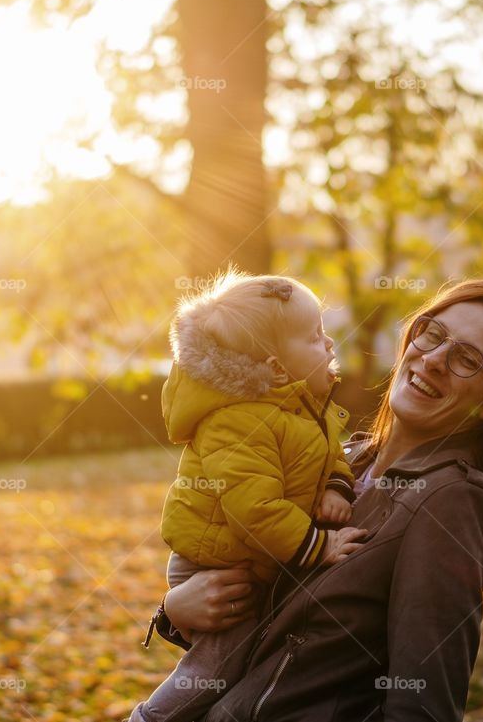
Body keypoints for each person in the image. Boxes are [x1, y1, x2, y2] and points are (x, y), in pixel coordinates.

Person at [147, 279, 483, 722]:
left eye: (467, 360)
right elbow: (258, 641)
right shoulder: (339, 461)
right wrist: (175, 609)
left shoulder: (450, 503)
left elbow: (423, 704)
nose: (434, 358)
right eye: (433, 333)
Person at [127, 272, 360, 722]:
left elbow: (333, 454)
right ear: (276, 367)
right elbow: (252, 509)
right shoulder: (238, 422)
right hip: (214, 561)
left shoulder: (304, 410)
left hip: (256, 550)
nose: (330, 344)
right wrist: (322, 544)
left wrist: (335, 486)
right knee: (216, 667)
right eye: (315, 338)